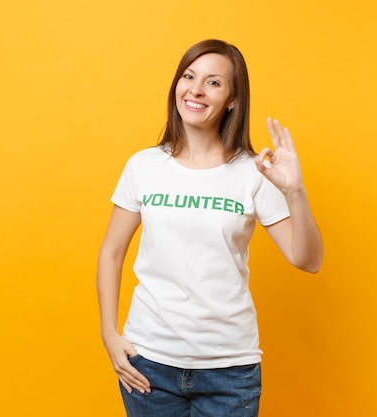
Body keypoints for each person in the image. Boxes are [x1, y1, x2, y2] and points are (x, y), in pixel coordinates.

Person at [97, 39, 323, 417]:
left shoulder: (254, 172)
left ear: (233, 99)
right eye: (189, 76)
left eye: (214, 82)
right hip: (149, 362)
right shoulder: (144, 165)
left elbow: (308, 260)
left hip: (229, 370)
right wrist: (109, 334)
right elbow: (112, 251)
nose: (196, 90)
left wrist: (295, 192)